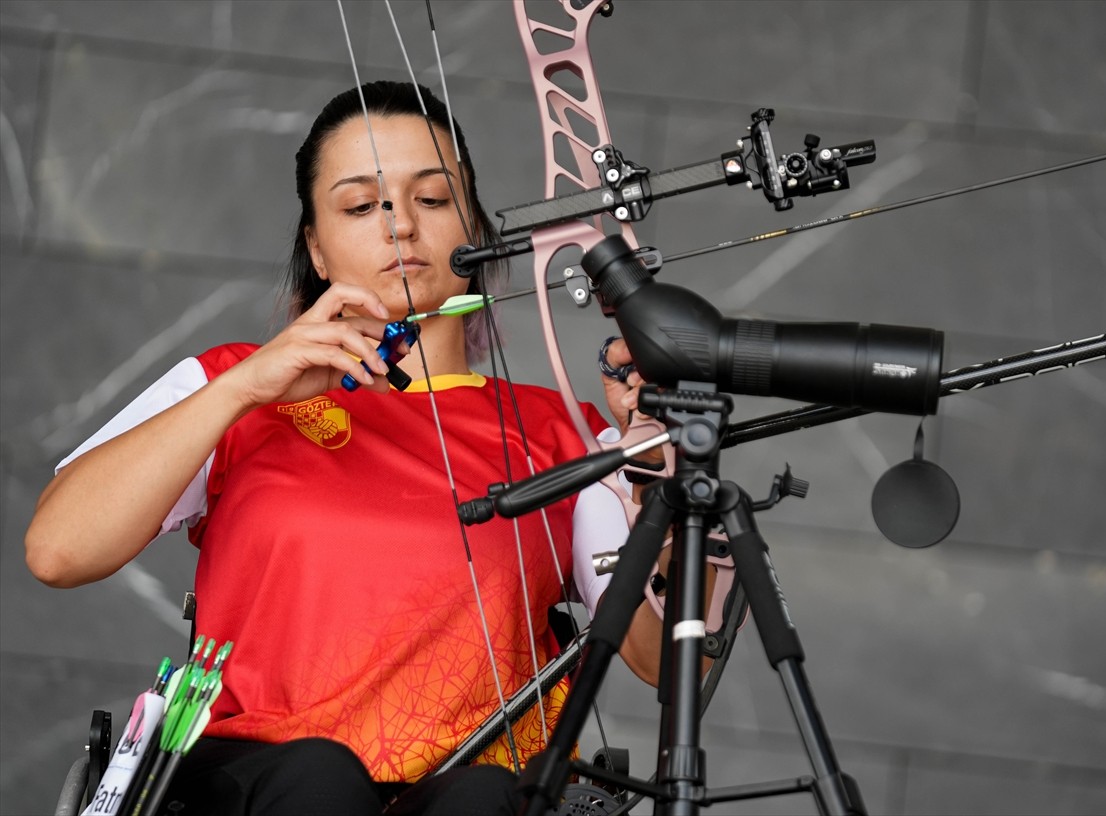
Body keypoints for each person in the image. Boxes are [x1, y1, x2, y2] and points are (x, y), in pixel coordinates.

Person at [25, 80, 660, 816]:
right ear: (317, 250)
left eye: (432, 199)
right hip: (256, 784)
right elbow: (57, 551)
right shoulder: (235, 383)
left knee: (484, 799)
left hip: (483, 786)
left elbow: (664, 658)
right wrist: (243, 390)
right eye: (362, 207)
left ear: (478, 229)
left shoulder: (568, 433)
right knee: (319, 781)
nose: (401, 228)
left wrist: (661, 469)